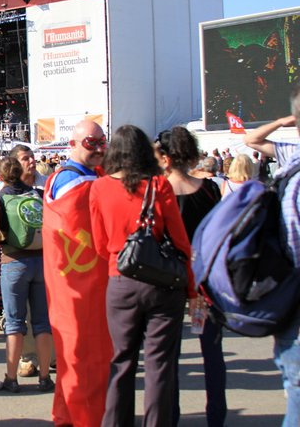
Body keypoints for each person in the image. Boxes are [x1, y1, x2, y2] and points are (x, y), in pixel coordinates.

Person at [89, 125, 201, 426]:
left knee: (121, 361)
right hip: (162, 285)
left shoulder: (98, 188)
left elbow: (100, 245)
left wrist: (119, 259)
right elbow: (180, 242)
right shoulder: (158, 185)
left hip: (120, 279)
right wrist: (191, 288)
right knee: (159, 366)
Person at [41, 119, 112, 426]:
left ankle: (68, 415)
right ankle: (86, 418)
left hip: (80, 284)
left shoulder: (87, 176)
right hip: (78, 285)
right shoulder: (74, 181)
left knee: (78, 356)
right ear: (73, 144)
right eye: (90, 143)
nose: (98, 148)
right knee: (85, 356)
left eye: (101, 142)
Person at [155, 127, 226, 427]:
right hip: (206, 275)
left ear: (168, 157)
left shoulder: (158, 192)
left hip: (169, 276)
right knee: (212, 350)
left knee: (168, 355)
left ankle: (171, 417)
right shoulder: (209, 189)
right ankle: (216, 418)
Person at [243, 91, 300, 427]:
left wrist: (285, 120)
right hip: (293, 289)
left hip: (288, 289)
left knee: (294, 386)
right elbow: (250, 138)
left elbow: (253, 138)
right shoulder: (292, 154)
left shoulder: (292, 160)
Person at [0, 156, 53, 393]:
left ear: (0, 177)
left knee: (14, 321)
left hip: (14, 261)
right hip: (41, 260)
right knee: (42, 322)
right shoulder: (36, 194)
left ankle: (11, 378)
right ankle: (45, 376)